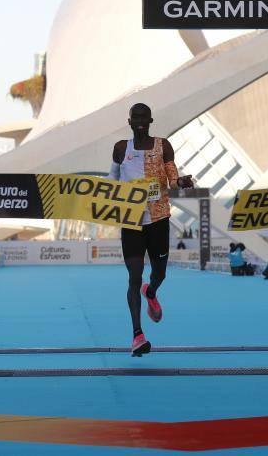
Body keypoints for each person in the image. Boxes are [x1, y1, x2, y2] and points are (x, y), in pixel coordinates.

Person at [107, 103, 193, 356]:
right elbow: (111, 181)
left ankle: (151, 291)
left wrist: (182, 182)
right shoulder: (121, 148)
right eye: (136, 117)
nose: (141, 121)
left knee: (159, 274)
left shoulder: (163, 145)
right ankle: (137, 335)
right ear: (130, 121)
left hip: (158, 219)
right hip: (131, 220)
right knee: (134, 275)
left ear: (151, 120)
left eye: (145, 117)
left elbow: (173, 178)